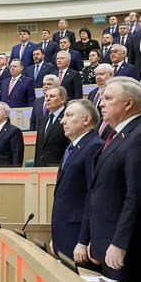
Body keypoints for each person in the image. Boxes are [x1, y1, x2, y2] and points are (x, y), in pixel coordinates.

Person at [75, 78, 141, 282]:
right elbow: (101, 191)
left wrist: (119, 243)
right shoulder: (116, 135)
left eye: (108, 98)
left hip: (129, 250)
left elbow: (139, 197)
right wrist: (93, 240)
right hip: (109, 245)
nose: (101, 103)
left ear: (128, 104)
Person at [49, 100, 103, 260]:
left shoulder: (94, 146)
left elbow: (92, 195)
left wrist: (84, 241)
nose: (62, 120)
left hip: (77, 235)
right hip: (65, 233)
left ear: (86, 120)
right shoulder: (73, 147)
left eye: (69, 115)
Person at [33, 86, 68, 166]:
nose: (47, 99)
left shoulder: (67, 118)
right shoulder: (43, 120)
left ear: (62, 99)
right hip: (40, 168)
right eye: (46, 96)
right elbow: (38, 148)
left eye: (52, 96)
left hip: (58, 167)